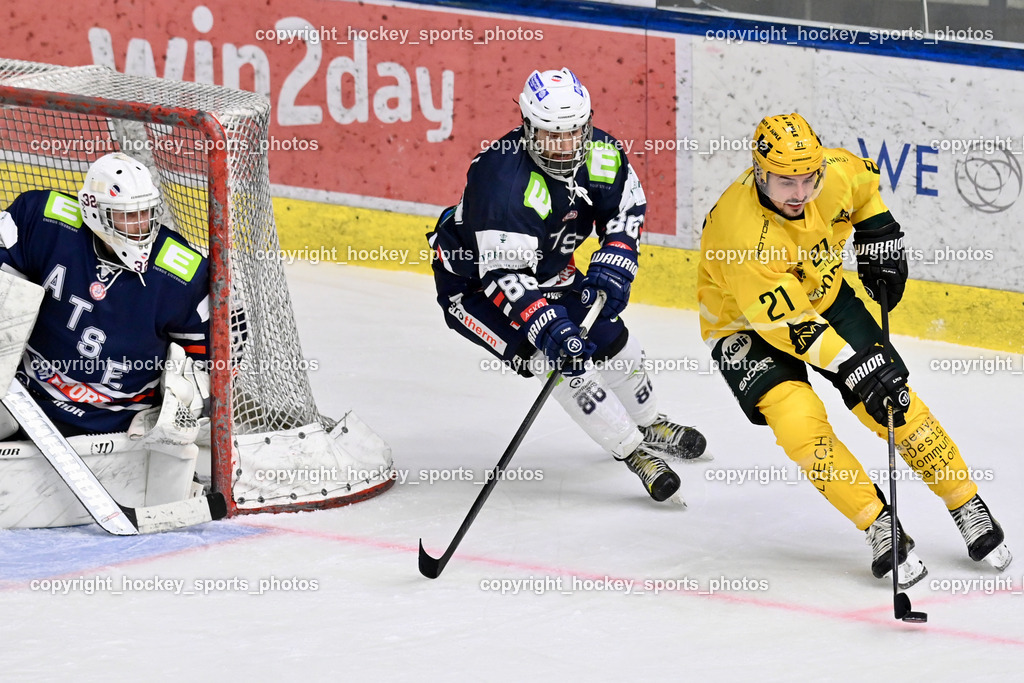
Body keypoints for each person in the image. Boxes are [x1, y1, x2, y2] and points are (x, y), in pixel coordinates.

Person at [697, 112, 1011, 586]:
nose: (800, 193)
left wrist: (879, 233)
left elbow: (865, 190)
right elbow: (790, 326)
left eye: (808, 178)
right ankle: (878, 524)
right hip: (745, 325)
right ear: (759, 172)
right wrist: (857, 365)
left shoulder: (837, 172)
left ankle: (966, 502)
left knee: (893, 401)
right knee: (800, 424)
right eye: (785, 181)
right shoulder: (741, 235)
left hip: (822, 294)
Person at [427, 68, 706, 502]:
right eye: (552, 136)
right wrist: (550, 329)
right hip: (476, 289)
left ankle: (650, 423)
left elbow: (626, 208)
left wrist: (617, 257)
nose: (565, 147)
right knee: (558, 361)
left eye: (575, 133)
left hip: (550, 272)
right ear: (527, 127)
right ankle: (633, 452)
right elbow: (505, 278)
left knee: (613, 337)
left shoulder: (602, 153)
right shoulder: (500, 182)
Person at [0, 153, 210, 520]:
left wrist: (186, 408)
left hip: (114, 424)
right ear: (94, 211)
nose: (141, 226)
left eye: (146, 213)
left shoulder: (181, 273)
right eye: (128, 216)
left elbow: (218, 359)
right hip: (25, 398)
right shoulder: (44, 219)